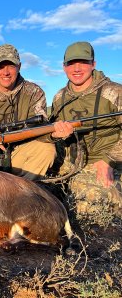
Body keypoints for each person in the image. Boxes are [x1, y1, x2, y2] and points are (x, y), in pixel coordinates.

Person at [0, 44, 72, 180]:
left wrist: (54, 134)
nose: (6, 72)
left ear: (19, 67)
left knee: (47, 150)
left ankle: (24, 193)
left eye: (11, 66)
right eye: (0, 66)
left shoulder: (34, 93)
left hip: (19, 153)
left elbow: (40, 130)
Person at [50, 41, 122, 216]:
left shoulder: (113, 92)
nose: (77, 69)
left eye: (83, 62)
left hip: (104, 164)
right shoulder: (59, 96)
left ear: (93, 64)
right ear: (64, 67)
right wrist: (55, 134)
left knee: (86, 209)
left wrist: (109, 160)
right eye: (71, 63)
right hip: (70, 164)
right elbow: (50, 131)